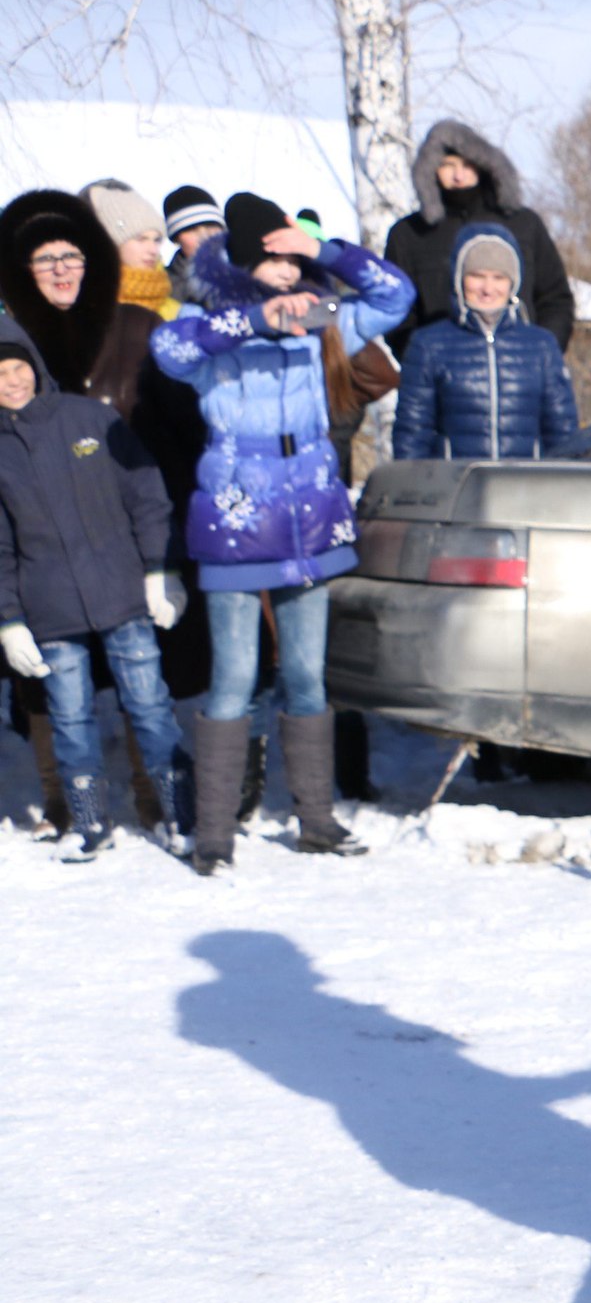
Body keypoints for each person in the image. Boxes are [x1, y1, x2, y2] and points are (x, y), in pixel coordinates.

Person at [156, 192, 414, 876]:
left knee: (305, 673)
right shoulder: (205, 319)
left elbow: (397, 294)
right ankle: (213, 833)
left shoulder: (322, 315)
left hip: (310, 514)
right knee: (235, 676)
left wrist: (323, 252)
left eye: (285, 255)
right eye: (268, 257)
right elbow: (168, 349)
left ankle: (317, 818)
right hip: (238, 516)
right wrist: (254, 318)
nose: (281, 268)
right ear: (242, 261)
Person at [0, 188, 207, 833]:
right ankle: (65, 802)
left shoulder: (136, 329)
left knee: (145, 680)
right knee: (50, 687)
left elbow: (184, 434)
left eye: (71, 257)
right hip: (42, 554)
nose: (61, 271)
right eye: (43, 261)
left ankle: (156, 793)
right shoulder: (12, 345)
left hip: (129, 542)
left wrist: (166, 550)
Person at [0, 327, 189, 859]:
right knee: (70, 716)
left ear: (35, 367)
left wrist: (160, 568)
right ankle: (89, 822)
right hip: (50, 606)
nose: (12, 382)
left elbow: (146, 493)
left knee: (150, 705)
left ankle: (181, 811)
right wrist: (8, 620)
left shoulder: (89, 419)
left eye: (18, 368)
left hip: (123, 591)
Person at [382, 120, 576, 355]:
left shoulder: (523, 224)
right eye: (447, 165)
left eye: (467, 163)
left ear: (484, 164)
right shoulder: (409, 233)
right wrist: (423, 363)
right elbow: (396, 311)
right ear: (430, 168)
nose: (458, 175)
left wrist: (544, 355)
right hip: (443, 377)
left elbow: (554, 298)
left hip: (522, 369)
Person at [392, 226, 580, 461]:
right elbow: (412, 431)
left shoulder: (541, 345)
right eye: (477, 276)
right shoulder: (428, 345)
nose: (488, 289)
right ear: (459, 278)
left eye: (499, 277)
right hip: (456, 487)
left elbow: (563, 431)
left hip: (526, 487)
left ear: (513, 282)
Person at [81, 180, 180, 320]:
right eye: (141, 239)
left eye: (157, 240)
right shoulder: (83, 303)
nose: (153, 250)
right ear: (111, 243)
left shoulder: (179, 312)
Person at [161, 186, 224, 307]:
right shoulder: (162, 287)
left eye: (210, 226)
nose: (205, 237)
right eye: (192, 229)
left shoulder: (251, 272)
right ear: (176, 239)